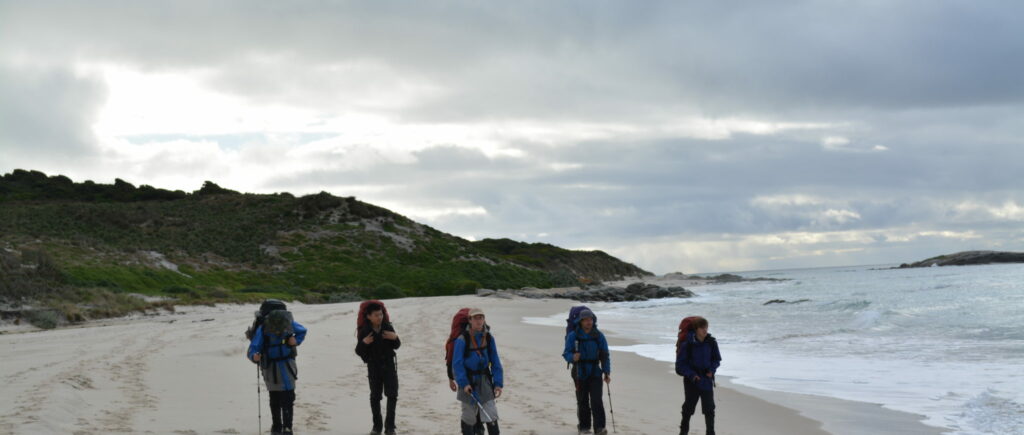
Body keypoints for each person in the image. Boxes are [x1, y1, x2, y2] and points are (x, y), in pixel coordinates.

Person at [248, 310, 307, 435]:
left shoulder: (287, 323)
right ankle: (278, 426)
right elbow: (253, 348)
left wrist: (296, 341)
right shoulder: (264, 327)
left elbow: (302, 331)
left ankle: (285, 428)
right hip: (272, 368)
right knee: (276, 398)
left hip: (285, 366)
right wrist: (254, 356)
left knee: (287, 397)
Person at [452, 307, 504, 435]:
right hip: (468, 381)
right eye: (475, 318)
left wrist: (498, 383)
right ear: (470, 320)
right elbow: (457, 364)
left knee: (491, 414)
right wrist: (464, 384)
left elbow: (495, 361)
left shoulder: (489, 338)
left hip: (485, 381)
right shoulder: (462, 339)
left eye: (481, 317)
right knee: (468, 417)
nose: (479, 321)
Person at [355, 301, 401, 435]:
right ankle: (377, 427)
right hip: (374, 367)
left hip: (389, 366)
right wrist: (364, 342)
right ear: (369, 316)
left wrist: (395, 337)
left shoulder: (387, 327)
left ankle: (390, 427)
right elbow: (359, 351)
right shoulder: (365, 331)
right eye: (376, 315)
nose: (379, 317)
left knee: (392, 395)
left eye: (381, 314)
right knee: (375, 397)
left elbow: (397, 345)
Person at [562, 308, 611, 435]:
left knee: (596, 400)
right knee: (582, 400)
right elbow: (566, 353)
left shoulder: (599, 335)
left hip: (595, 371)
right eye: (586, 320)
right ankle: (584, 427)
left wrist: (606, 372)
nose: (589, 322)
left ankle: (599, 428)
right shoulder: (573, 335)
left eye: (591, 320)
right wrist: (572, 357)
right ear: (581, 321)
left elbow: (605, 354)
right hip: (579, 371)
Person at [675, 316, 721, 435]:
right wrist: (692, 375)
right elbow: (680, 365)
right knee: (688, 409)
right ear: (696, 329)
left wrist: (712, 370)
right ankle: (683, 432)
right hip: (692, 381)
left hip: (706, 380)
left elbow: (716, 359)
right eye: (702, 328)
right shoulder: (687, 345)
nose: (705, 331)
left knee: (709, 410)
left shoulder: (711, 342)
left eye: (706, 328)